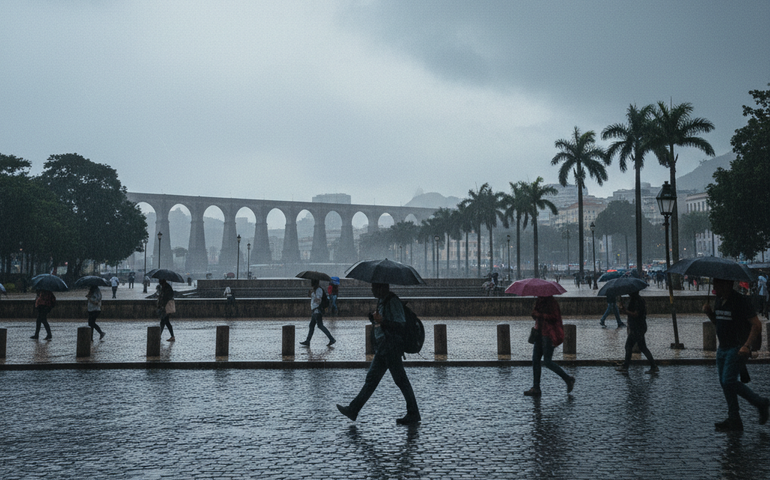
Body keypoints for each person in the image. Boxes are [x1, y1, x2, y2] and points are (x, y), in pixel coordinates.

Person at [336, 282, 420, 425]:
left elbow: (400, 325)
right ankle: (353, 409)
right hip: (383, 347)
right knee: (372, 380)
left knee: (400, 381)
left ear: (383, 288)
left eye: (374, 287)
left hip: (391, 347)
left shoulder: (392, 301)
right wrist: (374, 319)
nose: (372, 290)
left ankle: (413, 413)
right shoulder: (382, 301)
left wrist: (383, 321)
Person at [702, 277, 769, 432]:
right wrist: (710, 314)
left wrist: (747, 346)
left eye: (717, 284)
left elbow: (756, 324)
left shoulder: (740, 301)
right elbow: (718, 323)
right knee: (725, 384)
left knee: (728, 381)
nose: (714, 287)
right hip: (722, 348)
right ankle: (734, 419)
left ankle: (760, 403)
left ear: (727, 284)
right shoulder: (719, 300)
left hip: (737, 347)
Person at [524, 295, 575, 396]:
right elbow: (536, 316)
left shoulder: (552, 302)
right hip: (539, 333)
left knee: (547, 361)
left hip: (548, 334)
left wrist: (540, 315)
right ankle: (536, 387)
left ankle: (568, 379)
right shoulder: (539, 301)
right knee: (535, 360)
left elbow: (554, 317)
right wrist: (534, 314)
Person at [616, 292, 657, 374]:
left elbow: (635, 314)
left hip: (637, 327)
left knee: (628, 346)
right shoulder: (636, 299)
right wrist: (624, 308)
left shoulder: (637, 301)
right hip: (638, 327)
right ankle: (653, 366)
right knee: (642, 347)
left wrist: (625, 312)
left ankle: (626, 366)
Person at [299, 279, 335, 346]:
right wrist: (311, 294)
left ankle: (331, 339)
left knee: (320, 326)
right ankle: (308, 341)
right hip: (315, 311)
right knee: (312, 326)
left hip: (317, 310)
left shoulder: (319, 290)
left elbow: (318, 300)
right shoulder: (315, 290)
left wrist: (314, 295)